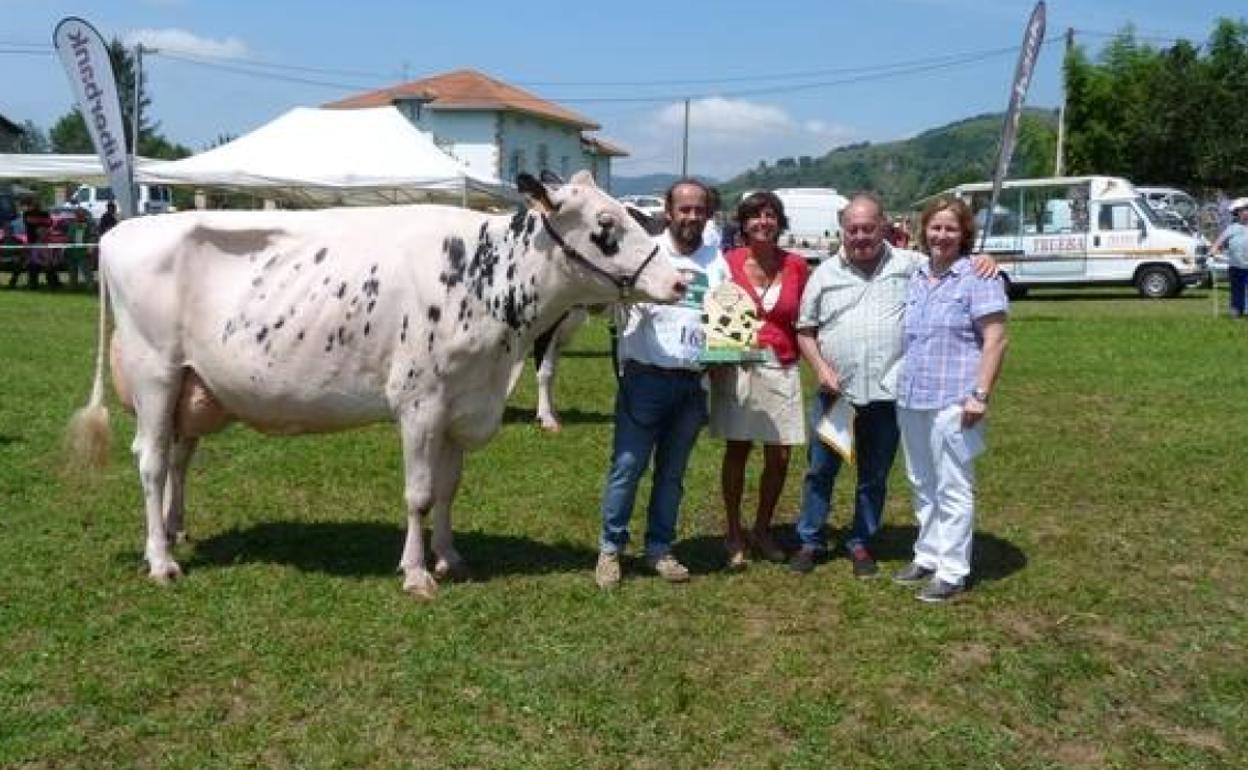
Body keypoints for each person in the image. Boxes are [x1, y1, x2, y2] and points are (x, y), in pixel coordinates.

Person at [790, 193, 995, 577]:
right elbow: (804, 329)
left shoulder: (912, 266)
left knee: (874, 475)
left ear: (884, 225)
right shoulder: (824, 274)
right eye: (853, 229)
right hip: (838, 394)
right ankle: (810, 540)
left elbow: (953, 262)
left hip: (888, 397)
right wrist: (819, 368)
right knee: (820, 470)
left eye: (869, 228)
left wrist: (982, 260)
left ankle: (860, 541)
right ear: (843, 231)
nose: (861, 236)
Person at [595, 178, 722, 589]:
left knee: (672, 474)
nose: (691, 216)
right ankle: (610, 550)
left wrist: (729, 354)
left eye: (699, 209)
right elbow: (604, 302)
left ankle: (659, 549)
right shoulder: (644, 254)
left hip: (691, 384)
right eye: (684, 209)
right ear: (669, 212)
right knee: (627, 468)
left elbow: (728, 321)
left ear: (708, 214)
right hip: (645, 379)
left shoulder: (718, 262)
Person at [893, 196, 1008, 603]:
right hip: (912, 395)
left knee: (953, 485)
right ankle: (928, 553)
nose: (942, 235)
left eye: (951, 229)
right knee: (921, 480)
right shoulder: (917, 273)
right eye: (935, 227)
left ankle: (953, 570)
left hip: (954, 398)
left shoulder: (979, 277)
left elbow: (995, 338)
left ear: (965, 235)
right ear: (924, 230)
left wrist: (980, 394)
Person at [708, 191, 810, 569]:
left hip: (783, 365)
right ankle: (734, 531)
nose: (763, 222)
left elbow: (807, 317)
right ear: (743, 224)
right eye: (754, 216)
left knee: (781, 455)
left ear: (779, 222)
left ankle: (763, 529)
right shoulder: (727, 262)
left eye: (770, 215)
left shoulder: (797, 266)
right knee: (738, 449)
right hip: (738, 365)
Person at [1210, 197, 1248, 318]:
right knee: (1237, 290)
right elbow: (1218, 244)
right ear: (1237, 213)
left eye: (1247, 210)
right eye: (1242, 210)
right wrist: (1214, 251)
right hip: (1236, 266)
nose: (1245, 213)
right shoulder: (1232, 228)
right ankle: (1236, 310)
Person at [64, 207, 95, 290]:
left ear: (85, 215)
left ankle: (90, 287)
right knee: (72, 271)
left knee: (87, 271)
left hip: (83, 252)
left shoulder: (90, 224)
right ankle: (72, 286)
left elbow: (93, 236)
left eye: (81, 214)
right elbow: (68, 237)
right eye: (78, 214)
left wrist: (90, 248)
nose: (79, 216)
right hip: (72, 251)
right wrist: (66, 248)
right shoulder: (72, 224)